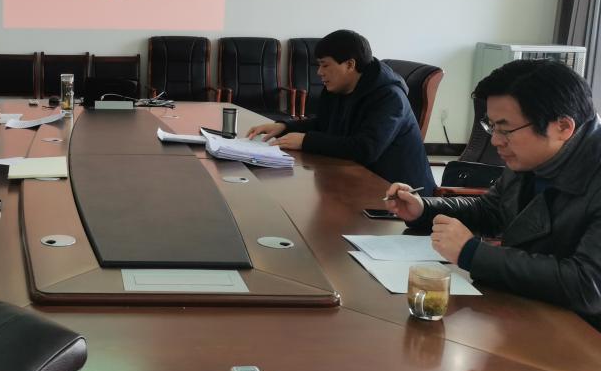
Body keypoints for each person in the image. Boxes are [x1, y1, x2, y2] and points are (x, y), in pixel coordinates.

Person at [386, 59, 601, 328]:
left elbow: (588, 286)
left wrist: (472, 253)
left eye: (506, 129)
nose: (496, 140)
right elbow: (491, 209)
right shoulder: (534, 155)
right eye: (492, 126)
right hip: (528, 311)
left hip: (582, 336)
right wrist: (424, 209)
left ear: (563, 127)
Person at [246, 29, 434, 194]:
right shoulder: (338, 88)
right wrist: (284, 126)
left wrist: (306, 141)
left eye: (325, 65)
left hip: (399, 195)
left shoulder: (390, 97)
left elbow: (365, 149)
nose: (319, 72)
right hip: (357, 180)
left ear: (350, 65)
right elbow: (323, 123)